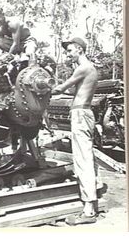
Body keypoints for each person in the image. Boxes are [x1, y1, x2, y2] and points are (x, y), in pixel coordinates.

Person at [51, 37, 99, 225]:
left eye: (70, 50)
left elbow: (62, 88)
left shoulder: (84, 68)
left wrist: (44, 87)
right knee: (86, 157)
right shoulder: (88, 69)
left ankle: (89, 211)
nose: (68, 54)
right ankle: (91, 199)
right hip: (82, 114)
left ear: (79, 49)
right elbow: (72, 92)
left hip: (81, 115)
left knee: (83, 159)